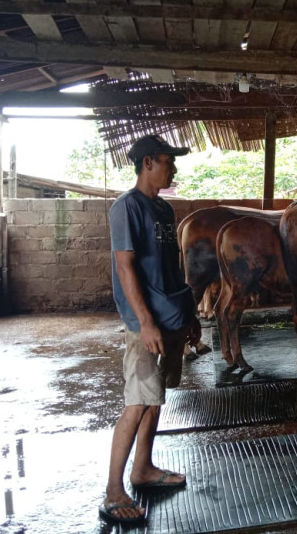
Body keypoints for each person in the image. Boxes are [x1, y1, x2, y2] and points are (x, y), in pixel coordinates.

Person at [99, 135, 197, 524]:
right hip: (146, 322)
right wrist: (145, 322)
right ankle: (112, 490)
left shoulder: (164, 210)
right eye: (168, 161)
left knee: (155, 399)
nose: (173, 167)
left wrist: (188, 316)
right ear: (148, 163)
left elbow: (173, 267)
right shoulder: (126, 208)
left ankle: (143, 468)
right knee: (137, 401)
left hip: (170, 315)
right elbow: (125, 267)